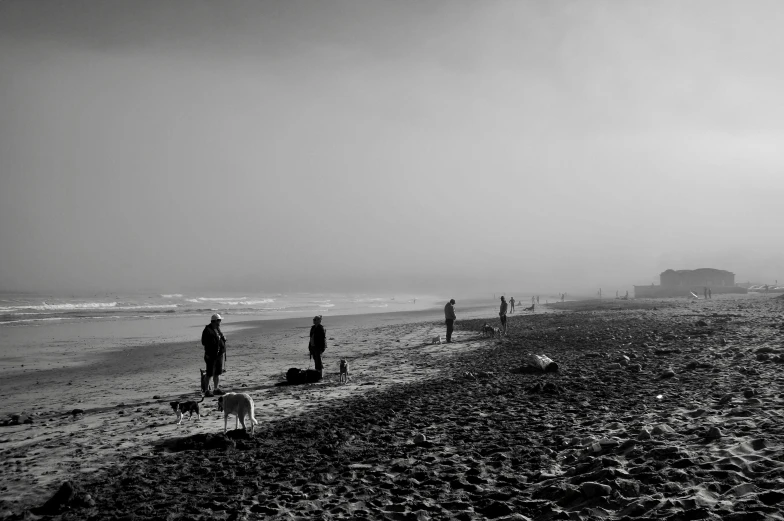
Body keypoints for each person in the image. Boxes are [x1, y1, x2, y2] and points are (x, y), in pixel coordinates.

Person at [201, 313, 227, 397]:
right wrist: (209, 351)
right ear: (215, 321)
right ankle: (206, 390)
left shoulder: (217, 329)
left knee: (217, 372)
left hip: (219, 354)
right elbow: (204, 342)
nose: (220, 322)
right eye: (219, 321)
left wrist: (223, 339)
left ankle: (216, 389)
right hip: (211, 355)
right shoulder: (207, 330)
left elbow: (219, 338)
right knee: (209, 373)